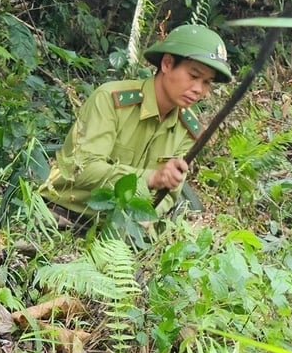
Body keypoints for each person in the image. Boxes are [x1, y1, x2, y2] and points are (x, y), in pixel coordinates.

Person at [40, 24, 232, 230]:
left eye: (207, 82)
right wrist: (150, 178)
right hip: (62, 214)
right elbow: (82, 169)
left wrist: (149, 215)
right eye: (194, 76)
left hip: (121, 232)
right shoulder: (111, 101)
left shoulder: (188, 129)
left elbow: (170, 193)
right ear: (167, 64)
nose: (199, 90)